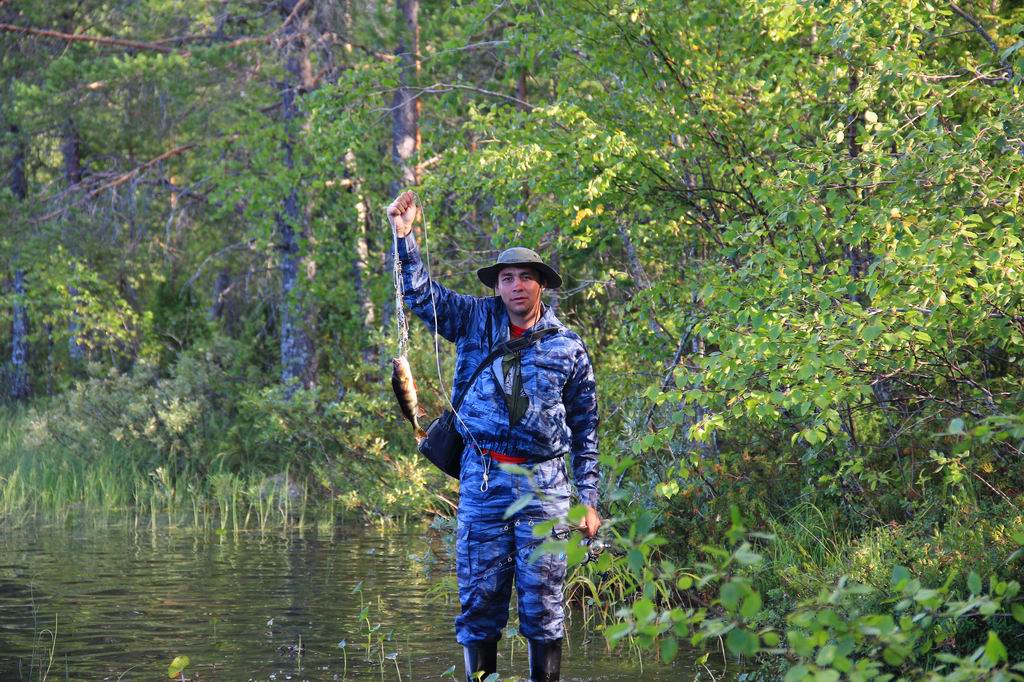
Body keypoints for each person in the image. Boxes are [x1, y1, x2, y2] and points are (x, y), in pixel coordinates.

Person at [386, 191, 601, 682]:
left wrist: (588, 499)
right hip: (482, 478)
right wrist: (404, 236)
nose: (516, 285)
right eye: (507, 278)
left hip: (546, 486)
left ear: (541, 284)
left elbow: (586, 428)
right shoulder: (472, 319)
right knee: (479, 602)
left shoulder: (568, 346)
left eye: (526, 277)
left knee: (544, 607)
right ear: (497, 286)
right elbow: (419, 295)